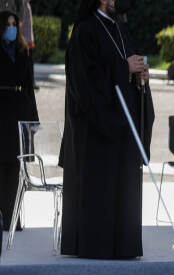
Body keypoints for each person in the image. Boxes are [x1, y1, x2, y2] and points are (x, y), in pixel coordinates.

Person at [60, 0, 154, 259]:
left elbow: (127, 70)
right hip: (95, 132)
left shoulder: (121, 29)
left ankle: (123, 247)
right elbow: (84, 81)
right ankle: (94, 247)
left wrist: (140, 78)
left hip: (122, 126)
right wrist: (124, 68)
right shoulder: (85, 31)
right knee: (97, 193)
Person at [0, 9, 37, 233]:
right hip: (1, 110)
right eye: (8, 24)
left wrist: (33, 119)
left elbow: (30, 88)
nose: (12, 28)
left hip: (19, 111)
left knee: (15, 167)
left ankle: (13, 215)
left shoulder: (23, 52)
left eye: (15, 24)